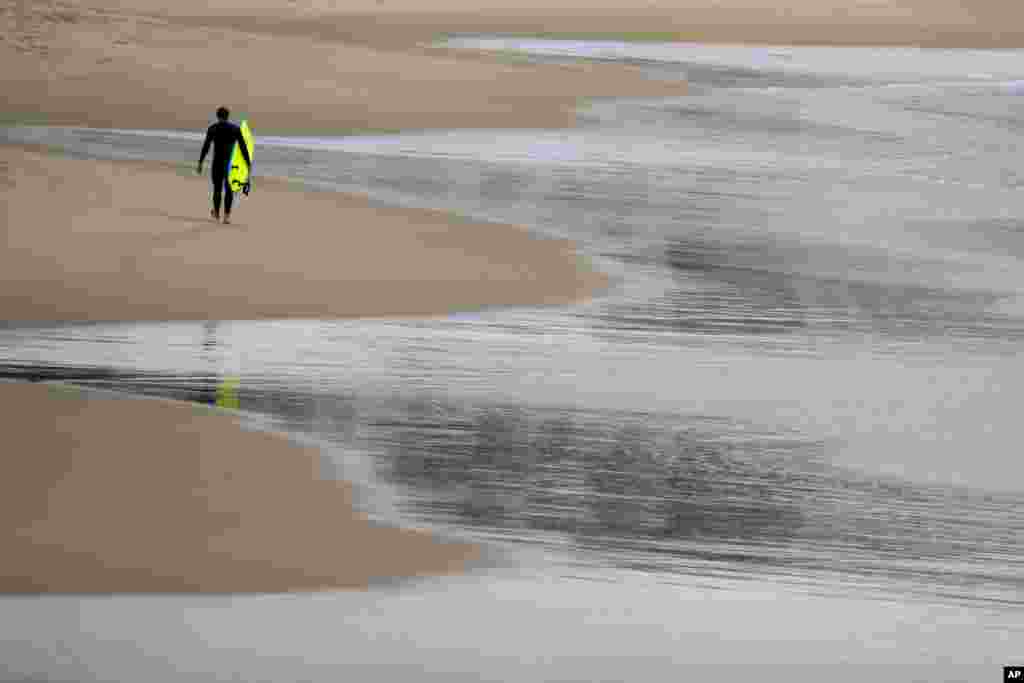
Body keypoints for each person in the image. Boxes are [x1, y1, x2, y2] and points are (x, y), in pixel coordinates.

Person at [196, 107, 251, 224]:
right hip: (229, 164)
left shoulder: (213, 128)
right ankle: (226, 216)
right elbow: (243, 148)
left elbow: (206, 146)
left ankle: (216, 213)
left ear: (217, 116)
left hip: (217, 163)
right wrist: (248, 164)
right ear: (228, 116)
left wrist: (200, 162)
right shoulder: (235, 129)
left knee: (217, 189)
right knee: (229, 190)